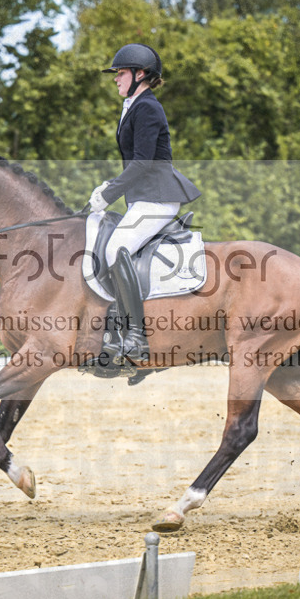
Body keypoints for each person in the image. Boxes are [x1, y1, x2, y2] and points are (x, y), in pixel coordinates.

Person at [89, 43, 201, 365]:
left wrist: (109, 193)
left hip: (158, 198)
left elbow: (142, 163)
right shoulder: (133, 105)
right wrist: (109, 188)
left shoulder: (148, 108)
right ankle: (115, 329)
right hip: (143, 197)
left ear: (140, 74)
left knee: (116, 248)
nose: (116, 78)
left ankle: (136, 335)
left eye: (121, 72)